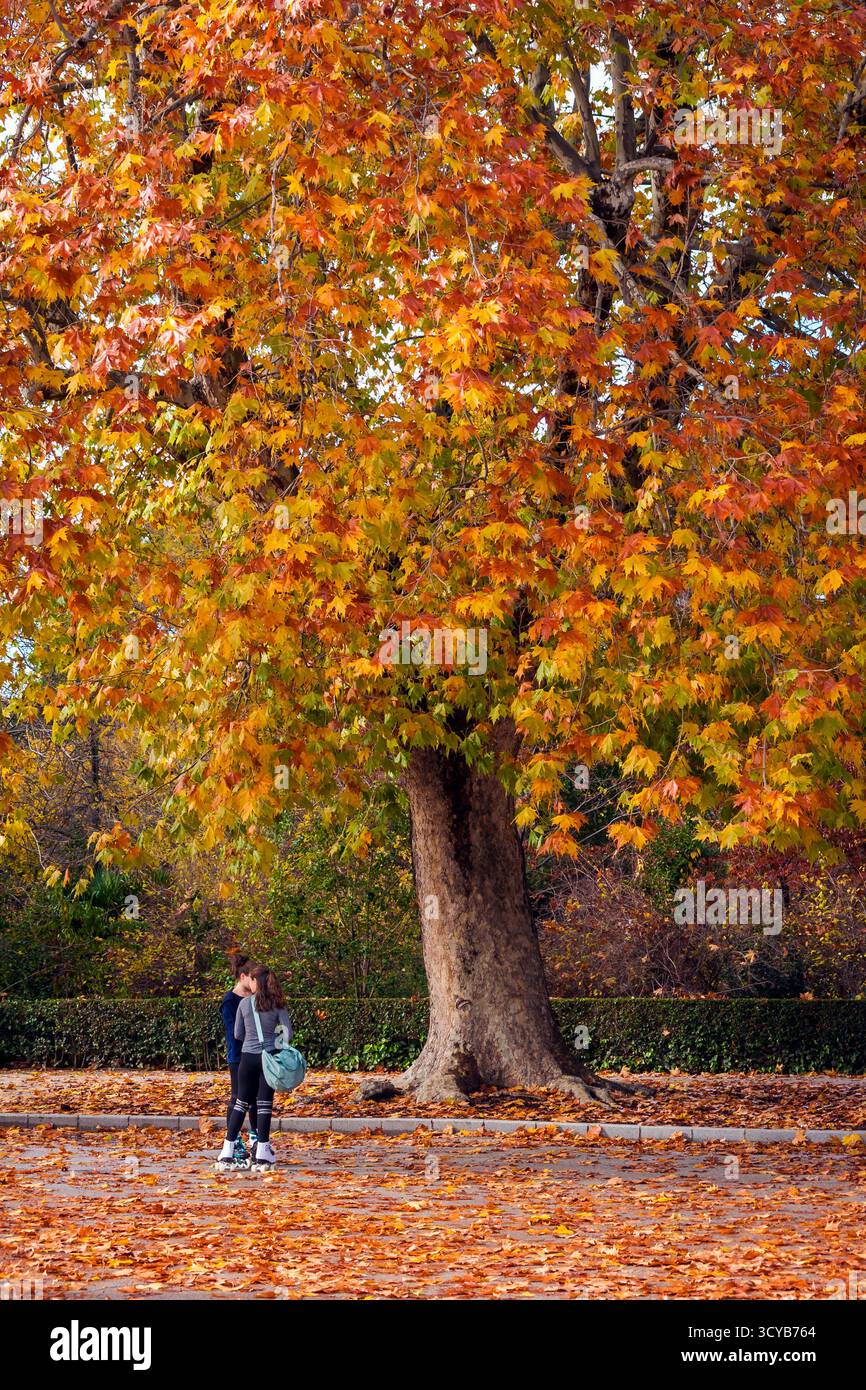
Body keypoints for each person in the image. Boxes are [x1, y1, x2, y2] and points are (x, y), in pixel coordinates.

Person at [216, 965, 292, 1171]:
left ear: (255, 982)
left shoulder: (244, 1004)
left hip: (247, 1058)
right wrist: (273, 1044)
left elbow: (238, 1033)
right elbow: (287, 1035)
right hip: (268, 1059)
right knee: (264, 1104)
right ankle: (262, 1153)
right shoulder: (278, 1005)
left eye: (251, 979)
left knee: (240, 1102)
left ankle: (227, 1150)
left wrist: (252, 1039)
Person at [219, 952, 258, 1166]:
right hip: (238, 1056)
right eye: (253, 979)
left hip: (255, 1055)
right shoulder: (230, 1001)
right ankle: (234, 1141)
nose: (255, 983)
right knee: (237, 1098)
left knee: (255, 1098)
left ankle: (256, 1136)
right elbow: (235, 1032)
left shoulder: (255, 1000)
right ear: (243, 977)